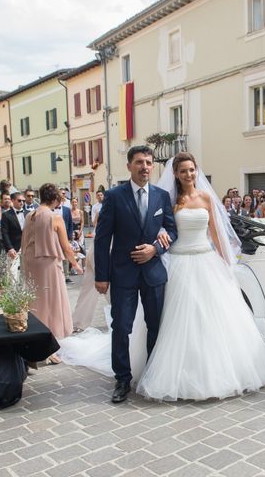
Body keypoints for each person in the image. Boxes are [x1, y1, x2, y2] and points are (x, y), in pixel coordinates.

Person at [135, 153, 265, 401]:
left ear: (196, 171)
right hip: (179, 263)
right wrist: (159, 237)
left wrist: (227, 265)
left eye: (192, 170)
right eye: (183, 171)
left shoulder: (206, 197)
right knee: (180, 320)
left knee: (213, 318)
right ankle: (179, 374)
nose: (189, 175)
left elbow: (216, 234)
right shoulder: (168, 199)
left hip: (205, 260)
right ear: (176, 175)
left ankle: (219, 372)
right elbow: (162, 228)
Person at [94, 145, 178, 404]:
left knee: (155, 326)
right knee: (121, 326)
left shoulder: (162, 196)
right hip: (123, 274)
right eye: (139, 162)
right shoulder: (114, 196)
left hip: (154, 273)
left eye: (149, 163)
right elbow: (102, 238)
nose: (145, 167)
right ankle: (122, 379)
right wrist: (102, 275)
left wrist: (156, 248)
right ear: (129, 166)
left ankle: (153, 374)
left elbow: (172, 232)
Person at [21, 183, 83, 363]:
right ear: (55, 199)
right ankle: (49, 350)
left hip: (30, 262)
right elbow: (66, 247)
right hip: (48, 263)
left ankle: (35, 344)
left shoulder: (29, 215)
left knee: (35, 303)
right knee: (51, 304)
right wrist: (76, 265)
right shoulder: (55, 218)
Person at [1, 192, 28, 278]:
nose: (22, 203)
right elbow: (4, 233)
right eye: (19, 200)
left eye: (23, 201)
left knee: (27, 271)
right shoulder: (6, 215)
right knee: (12, 272)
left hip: (27, 246)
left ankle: (25, 291)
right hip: (14, 247)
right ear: (13, 200)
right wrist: (10, 248)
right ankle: (12, 291)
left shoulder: (28, 213)